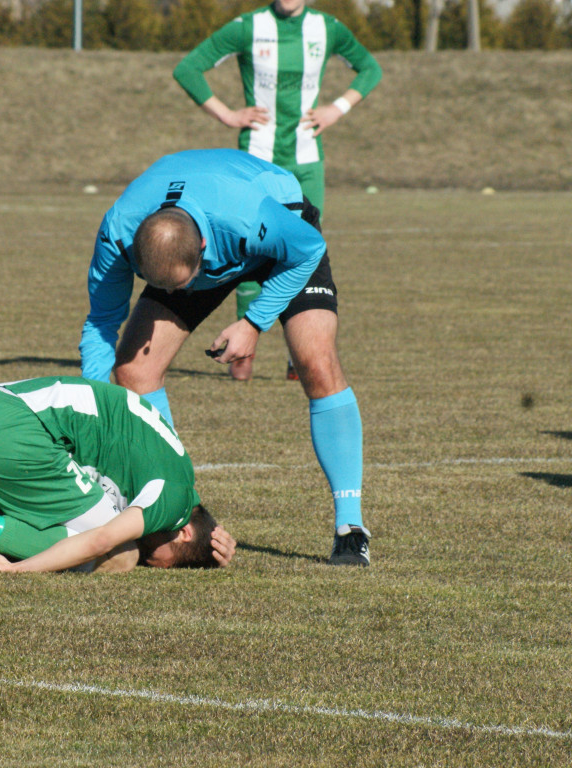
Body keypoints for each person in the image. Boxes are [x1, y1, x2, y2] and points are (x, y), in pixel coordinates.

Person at [78, 148, 370, 565]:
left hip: (281, 240)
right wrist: (89, 407)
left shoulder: (247, 217)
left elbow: (308, 248)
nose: (177, 297)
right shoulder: (119, 231)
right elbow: (101, 324)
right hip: (193, 237)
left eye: (183, 285)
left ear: (199, 247)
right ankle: (179, 507)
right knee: (135, 368)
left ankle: (351, 528)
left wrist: (252, 323)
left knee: (316, 363)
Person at [173, 0, 382, 382]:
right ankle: (241, 355)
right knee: (248, 247)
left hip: (306, 161)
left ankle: (297, 355)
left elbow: (370, 68)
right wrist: (227, 114)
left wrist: (336, 109)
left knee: (305, 251)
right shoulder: (247, 26)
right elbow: (187, 69)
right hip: (256, 159)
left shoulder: (328, 28)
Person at [0, 376, 236, 574]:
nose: (150, 557)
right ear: (184, 532)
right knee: (120, 554)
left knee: (72, 533)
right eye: (157, 558)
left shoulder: (168, 462)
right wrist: (15, 572)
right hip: (14, 435)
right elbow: (102, 541)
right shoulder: (174, 497)